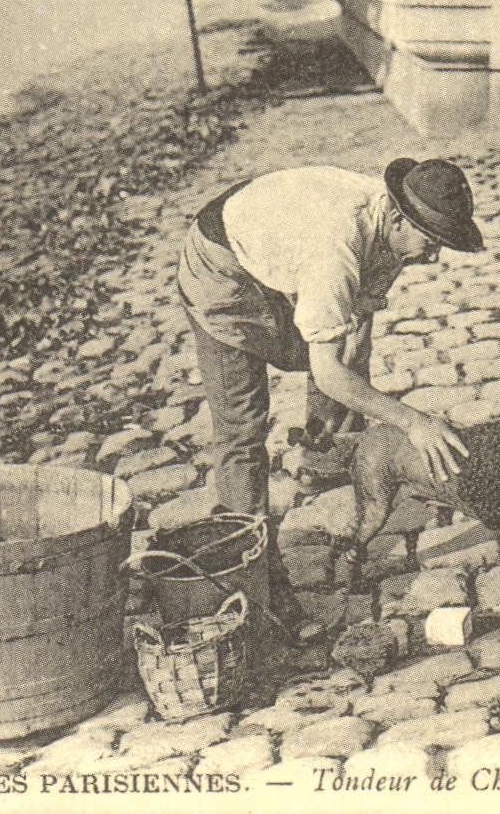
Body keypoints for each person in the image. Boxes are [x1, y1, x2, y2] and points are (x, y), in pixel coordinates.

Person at [176, 159, 480, 625]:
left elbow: (350, 332)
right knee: (242, 428)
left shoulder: (387, 227)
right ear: (398, 218)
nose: (434, 257)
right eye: (432, 243)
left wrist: (351, 335)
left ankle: (326, 473)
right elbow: (331, 374)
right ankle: (256, 587)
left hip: (279, 239)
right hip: (221, 266)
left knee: (346, 347)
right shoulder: (335, 251)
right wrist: (414, 422)